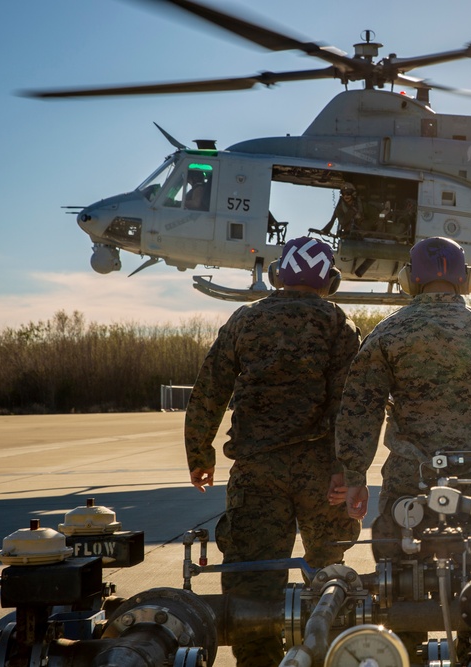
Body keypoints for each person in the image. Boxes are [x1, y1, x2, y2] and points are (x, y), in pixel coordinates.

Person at [184, 237, 361, 667]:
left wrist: (200, 453)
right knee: (327, 579)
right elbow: (349, 404)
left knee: (252, 583)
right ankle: (320, 655)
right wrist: (347, 470)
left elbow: (209, 390)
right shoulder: (338, 324)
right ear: (331, 282)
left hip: (256, 472)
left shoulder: (246, 320)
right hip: (320, 474)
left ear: (278, 276)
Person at [335, 236, 471, 556]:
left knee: (398, 574)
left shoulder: (386, 333)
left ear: (409, 280)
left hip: (409, 477)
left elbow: (360, 410)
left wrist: (355, 478)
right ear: (466, 279)